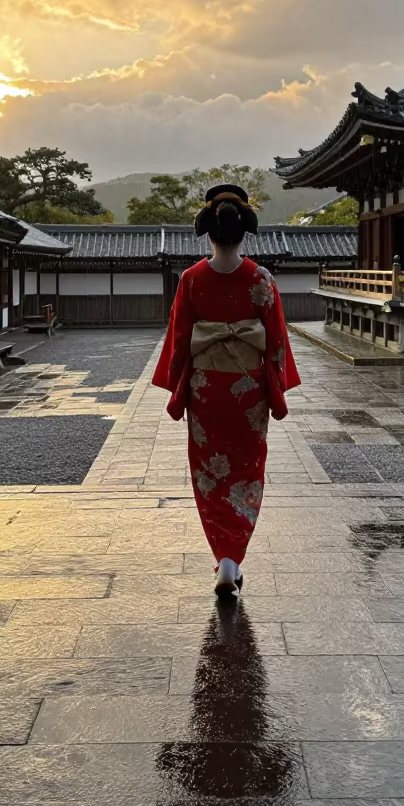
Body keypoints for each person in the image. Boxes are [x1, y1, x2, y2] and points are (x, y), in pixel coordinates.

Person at [152, 183, 301, 598]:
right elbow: (274, 343)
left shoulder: (191, 279)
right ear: (244, 231)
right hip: (247, 393)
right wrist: (276, 390)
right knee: (246, 472)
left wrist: (178, 387)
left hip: (206, 392)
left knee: (209, 475)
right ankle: (232, 560)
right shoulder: (262, 279)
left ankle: (223, 560)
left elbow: (181, 339)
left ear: (209, 231)